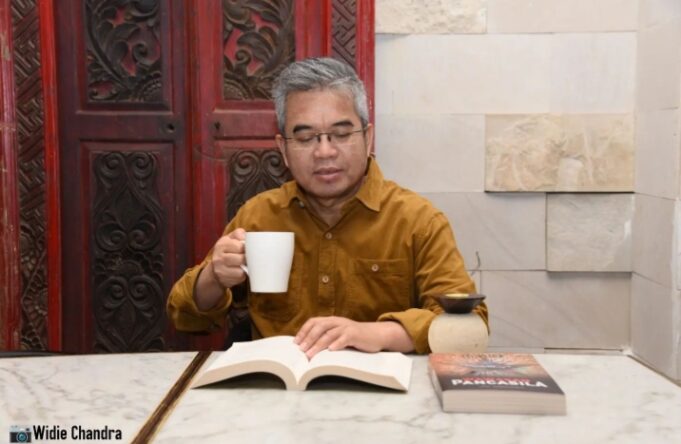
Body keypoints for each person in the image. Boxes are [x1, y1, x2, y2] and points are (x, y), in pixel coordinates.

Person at [167, 57, 488, 358]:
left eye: (341, 134)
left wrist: (378, 334)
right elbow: (185, 318)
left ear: (368, 138)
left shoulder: (417, 220)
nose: (324, 152)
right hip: (278, 388)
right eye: (306, 138)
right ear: (283, 149)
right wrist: (213, 277)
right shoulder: (259, 216)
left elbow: (469, 327)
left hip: (381, 391)